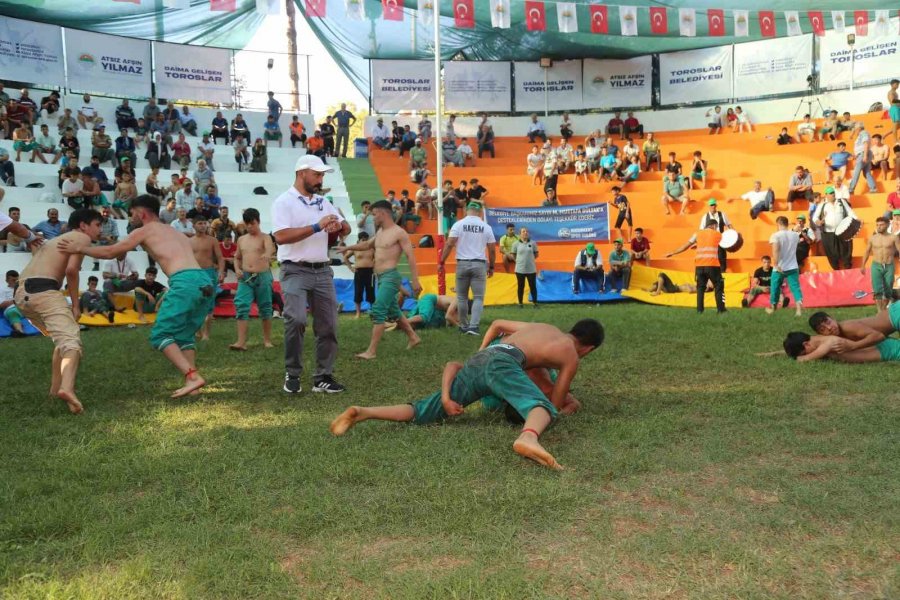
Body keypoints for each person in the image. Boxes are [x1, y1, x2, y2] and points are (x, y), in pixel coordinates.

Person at [329, 319, 605, 471]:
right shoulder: (570, 354)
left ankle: (364, 412)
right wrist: (562, 405)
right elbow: (554, 404)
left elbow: (498, 323)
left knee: (425, 408)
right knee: (541, 408)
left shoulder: (541, 327)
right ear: (588, 349)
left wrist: (482, 351)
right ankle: (527, 438)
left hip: (483, 358)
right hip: (503, 364)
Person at [59, 195, 214, 398]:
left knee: (160, 335)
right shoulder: (173, 230)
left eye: (132, 214)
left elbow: (111, 251)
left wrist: (80, 248)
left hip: (184, 281)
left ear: (142, 213)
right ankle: (192, 383)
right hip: (204, 280)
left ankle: (193, 376)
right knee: (184, 335)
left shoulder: (145, 230)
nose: (131, 218)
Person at [272, 155, 349, 393]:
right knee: (296, 319)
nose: (320, 179)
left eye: (322, 175)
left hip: (323, 270)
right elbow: (281, 236)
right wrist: (317, 226)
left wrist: (339, 226)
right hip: (294, 269)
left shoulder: (323, 202)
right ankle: (292, 372)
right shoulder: (283, 202)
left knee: (329, 325)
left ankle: (323, 376)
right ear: (301, 173)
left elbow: (346, 227)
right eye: (317, 174)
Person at [14, 208, 103, 414]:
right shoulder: (81, 238)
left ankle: (55, 390)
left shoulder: (55, 240)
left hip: (21, 293)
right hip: (44, 291)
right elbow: (71, 271)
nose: (100, 229)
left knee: (61, 339)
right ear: (83, 225)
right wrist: (75, 304)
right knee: (71, 342)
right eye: (97, 224)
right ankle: (67, 388)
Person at [338, 201, 422, 359]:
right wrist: (347, 248)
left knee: (378, 310)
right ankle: (413, 337)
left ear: (383, 214)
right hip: (381, 277)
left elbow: (411, 256)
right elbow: (367, 245)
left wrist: (415, 280)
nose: (372, 217)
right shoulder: (381, 232)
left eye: (374, 214)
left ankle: (371, 351)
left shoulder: (399, 232)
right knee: (393, 310)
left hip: (391, 276)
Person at [440, 201, 496, 335]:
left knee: (461, 297)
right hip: (479, 264)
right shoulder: (486, 227)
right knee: (478, 297)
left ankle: (464, 325)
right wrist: (492, 266)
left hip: (462, 263)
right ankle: (474, 326)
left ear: (466, 210)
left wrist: (442, 261)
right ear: (479, 212)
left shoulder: (458, 224)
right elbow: (492, 250)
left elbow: (449, 244)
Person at [231, 208, 275, 351]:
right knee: (241, 306)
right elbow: (236, 257)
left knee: (266, 307)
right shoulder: (241, 239)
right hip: (245, 277)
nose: (250, 226)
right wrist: (237, 269)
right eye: (247, 224)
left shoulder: (265, 237)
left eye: (253, 223)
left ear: (258, 221)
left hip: (262, 276)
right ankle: (241, 342)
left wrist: (267, 254)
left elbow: (270, 248)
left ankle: (267, 340)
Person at [665, 219, 726, 314]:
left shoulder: (697, 233)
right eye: (716, 226)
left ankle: (699, 310)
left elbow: (686, 246)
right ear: (714, 226)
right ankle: (721, 309)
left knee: (700, 288)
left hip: (699, 266)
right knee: (719, 285)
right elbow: (728, 243)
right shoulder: (717, 234)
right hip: (712, 265)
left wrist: (673, 252)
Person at [190, 216, 225, 341]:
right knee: (195, 303)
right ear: (194, 225)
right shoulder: (189, 241)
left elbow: (220, 258)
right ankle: (197, 331)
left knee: (209, 304)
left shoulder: (212, 240)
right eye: (200, 223)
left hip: (209, 273)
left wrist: (221, 271)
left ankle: (206, 334)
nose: (203, 225)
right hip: (194, 274)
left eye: (204, 223)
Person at [860, 217, 900, 313]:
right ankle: (879, 311)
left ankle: (884, 309)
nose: (879, 227)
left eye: (881, 225)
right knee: (877, 289)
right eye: (877, 225)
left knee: (888, 289)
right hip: (876, 265)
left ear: (887, 225)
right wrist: (863, 265)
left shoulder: (893, 237)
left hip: (889, 265)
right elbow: (867, 252)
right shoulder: (873, 238)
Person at [783, 331, 900, 364]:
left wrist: (800, 358)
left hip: (891, 351)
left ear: (806, 344)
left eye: (805, 352)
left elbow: (804, 359)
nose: (806, 354)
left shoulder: (829, 343)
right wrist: (769, 354)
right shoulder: (818, 341)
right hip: (886, 348)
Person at [812, 185, 856, 270]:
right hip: (829, 233)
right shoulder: (822, 205)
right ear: (826, 195)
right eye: (830, 193)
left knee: (846, 250)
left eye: (833, 193)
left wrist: (857, 220)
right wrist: (819, 222)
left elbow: (850, 212)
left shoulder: (842, 202)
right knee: (831, 253)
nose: (833, 195)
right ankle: (836, 269)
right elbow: (815, 218)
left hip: (842, 231)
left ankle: (847, 268)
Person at [767, 216, 803, 317]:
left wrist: (775, 264)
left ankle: (773, 309)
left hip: (780, 267)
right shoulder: (795, 235)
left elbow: (776, 250)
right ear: (787, 224)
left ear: (778, 224)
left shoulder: (775, 235)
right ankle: (799, 311)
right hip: (793, 266)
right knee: (795, 288)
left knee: (774, 288)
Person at [342, 231, 375, 319]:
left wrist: (374, 266)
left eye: (366, 240)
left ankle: (373, 311)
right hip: (359, 272)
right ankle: (358, 313)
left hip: (370, 272)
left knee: (371, 291)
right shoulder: (355, 248)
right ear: (359, 239)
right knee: (358, 292)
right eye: (363, 240)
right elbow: (345, 257)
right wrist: (351, 268)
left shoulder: (371, 248)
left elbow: (377, 258)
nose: (364, 241)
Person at [848, 123, 878, 195]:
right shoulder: (861, 135)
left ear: (859, 128)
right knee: (866, 172)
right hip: (862, 154)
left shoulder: (863, 133)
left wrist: (864, 155)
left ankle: (851, 189)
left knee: (856, 172)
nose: (855, 131)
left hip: (863, 154)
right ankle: (873, 188)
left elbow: (866, 144)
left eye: (855, 129)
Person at [512, 227, 538, 307]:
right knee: (520, 286)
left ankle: (535, 303)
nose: (525, 233)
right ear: (520, 234)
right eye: (523, 231)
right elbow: (513, 255)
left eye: (526, 231)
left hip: (531, 269)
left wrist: (529, 260)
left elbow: (536, 254)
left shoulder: (533, 243)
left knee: (533, 286)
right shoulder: (515, 244)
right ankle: (520, 303)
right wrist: (519, 261)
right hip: (520, 269)